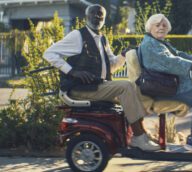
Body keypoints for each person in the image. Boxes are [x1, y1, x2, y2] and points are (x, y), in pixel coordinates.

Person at [43, 4, 160, 151]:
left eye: (101, 15)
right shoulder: (77, 36)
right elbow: (49, 53)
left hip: (96, 86)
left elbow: (110, 66)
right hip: (81, 89)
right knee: (125, 87)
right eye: (94, 13)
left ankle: (140, 134)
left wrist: (123, 55)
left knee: (134, 87)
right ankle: (138, 137)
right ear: (87, 16)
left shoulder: (102, 39)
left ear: (104, 19)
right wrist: (72, 71)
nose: (97, 17)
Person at [139, 14, 192, 154]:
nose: (161, 27)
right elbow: (170, 62)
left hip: (171, 85)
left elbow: (178, 54)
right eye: (157, 25)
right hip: (166, 89)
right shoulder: (150, 45)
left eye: (164, 25)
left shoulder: (158, 42)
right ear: (150, 28)